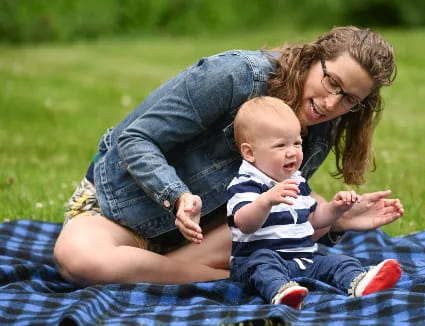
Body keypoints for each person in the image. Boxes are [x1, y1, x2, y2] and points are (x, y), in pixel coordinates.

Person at [53, 26, 404, 285]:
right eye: (332, 83)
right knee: (78, 259)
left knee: (297, 208)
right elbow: (135, 139)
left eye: (349, 100)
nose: (331, 104)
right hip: (125, 210)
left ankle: (160, 269)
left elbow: (269, 203)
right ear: (314, 59)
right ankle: (215, 277)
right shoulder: (235, 75)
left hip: (206, 235)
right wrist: (177, 196)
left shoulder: (321, 126)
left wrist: (335, 219)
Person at [226, 96, 401, 309]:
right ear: (250, 152)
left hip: (302, 259)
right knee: (264, 262)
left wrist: (336, 209)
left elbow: (313, 219)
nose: (293, 151)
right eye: (281, 145)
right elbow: (244, 223)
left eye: (297, 142)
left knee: (334, 261)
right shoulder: (247, 183)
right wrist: (266, 201)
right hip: (253, 264)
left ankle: (359, 282)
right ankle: (281, 292)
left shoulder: (296, 181)